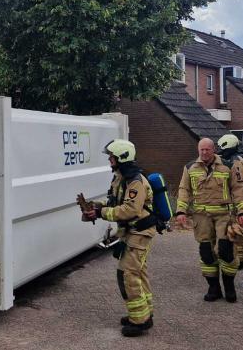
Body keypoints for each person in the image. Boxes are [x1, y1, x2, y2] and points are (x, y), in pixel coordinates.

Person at [79, 139, 155, 337]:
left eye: (112, 156)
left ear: (122, 157)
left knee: (128, 274)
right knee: (138, 273)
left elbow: (130, 210)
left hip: (140, 232)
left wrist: (100, 213)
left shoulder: (136, 182)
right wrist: (95, 205)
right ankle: (144, 313)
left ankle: (139, 322)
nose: (109, 160)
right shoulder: (120, 178)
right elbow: (113, 200)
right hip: (131, 232)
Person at [175, 138, 243, 302]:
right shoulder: (189, 168)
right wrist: (180, 211)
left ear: (213, 149)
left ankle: (229, 287)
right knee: (206, 253)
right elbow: (184, 190)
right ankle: (214, 288)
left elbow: (238, 190)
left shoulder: (228, 165)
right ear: (198, 150)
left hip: (225, 216)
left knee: (226, 251)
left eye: (207, 149)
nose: (204, 153)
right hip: (201, 218)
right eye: (201, 150)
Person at [217, 134, 243, 270]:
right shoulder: (236, 159)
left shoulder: (235, 162)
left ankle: (239, 262)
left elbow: (238, 185)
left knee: (237, 231)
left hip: (237, 202)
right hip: (236, 200)